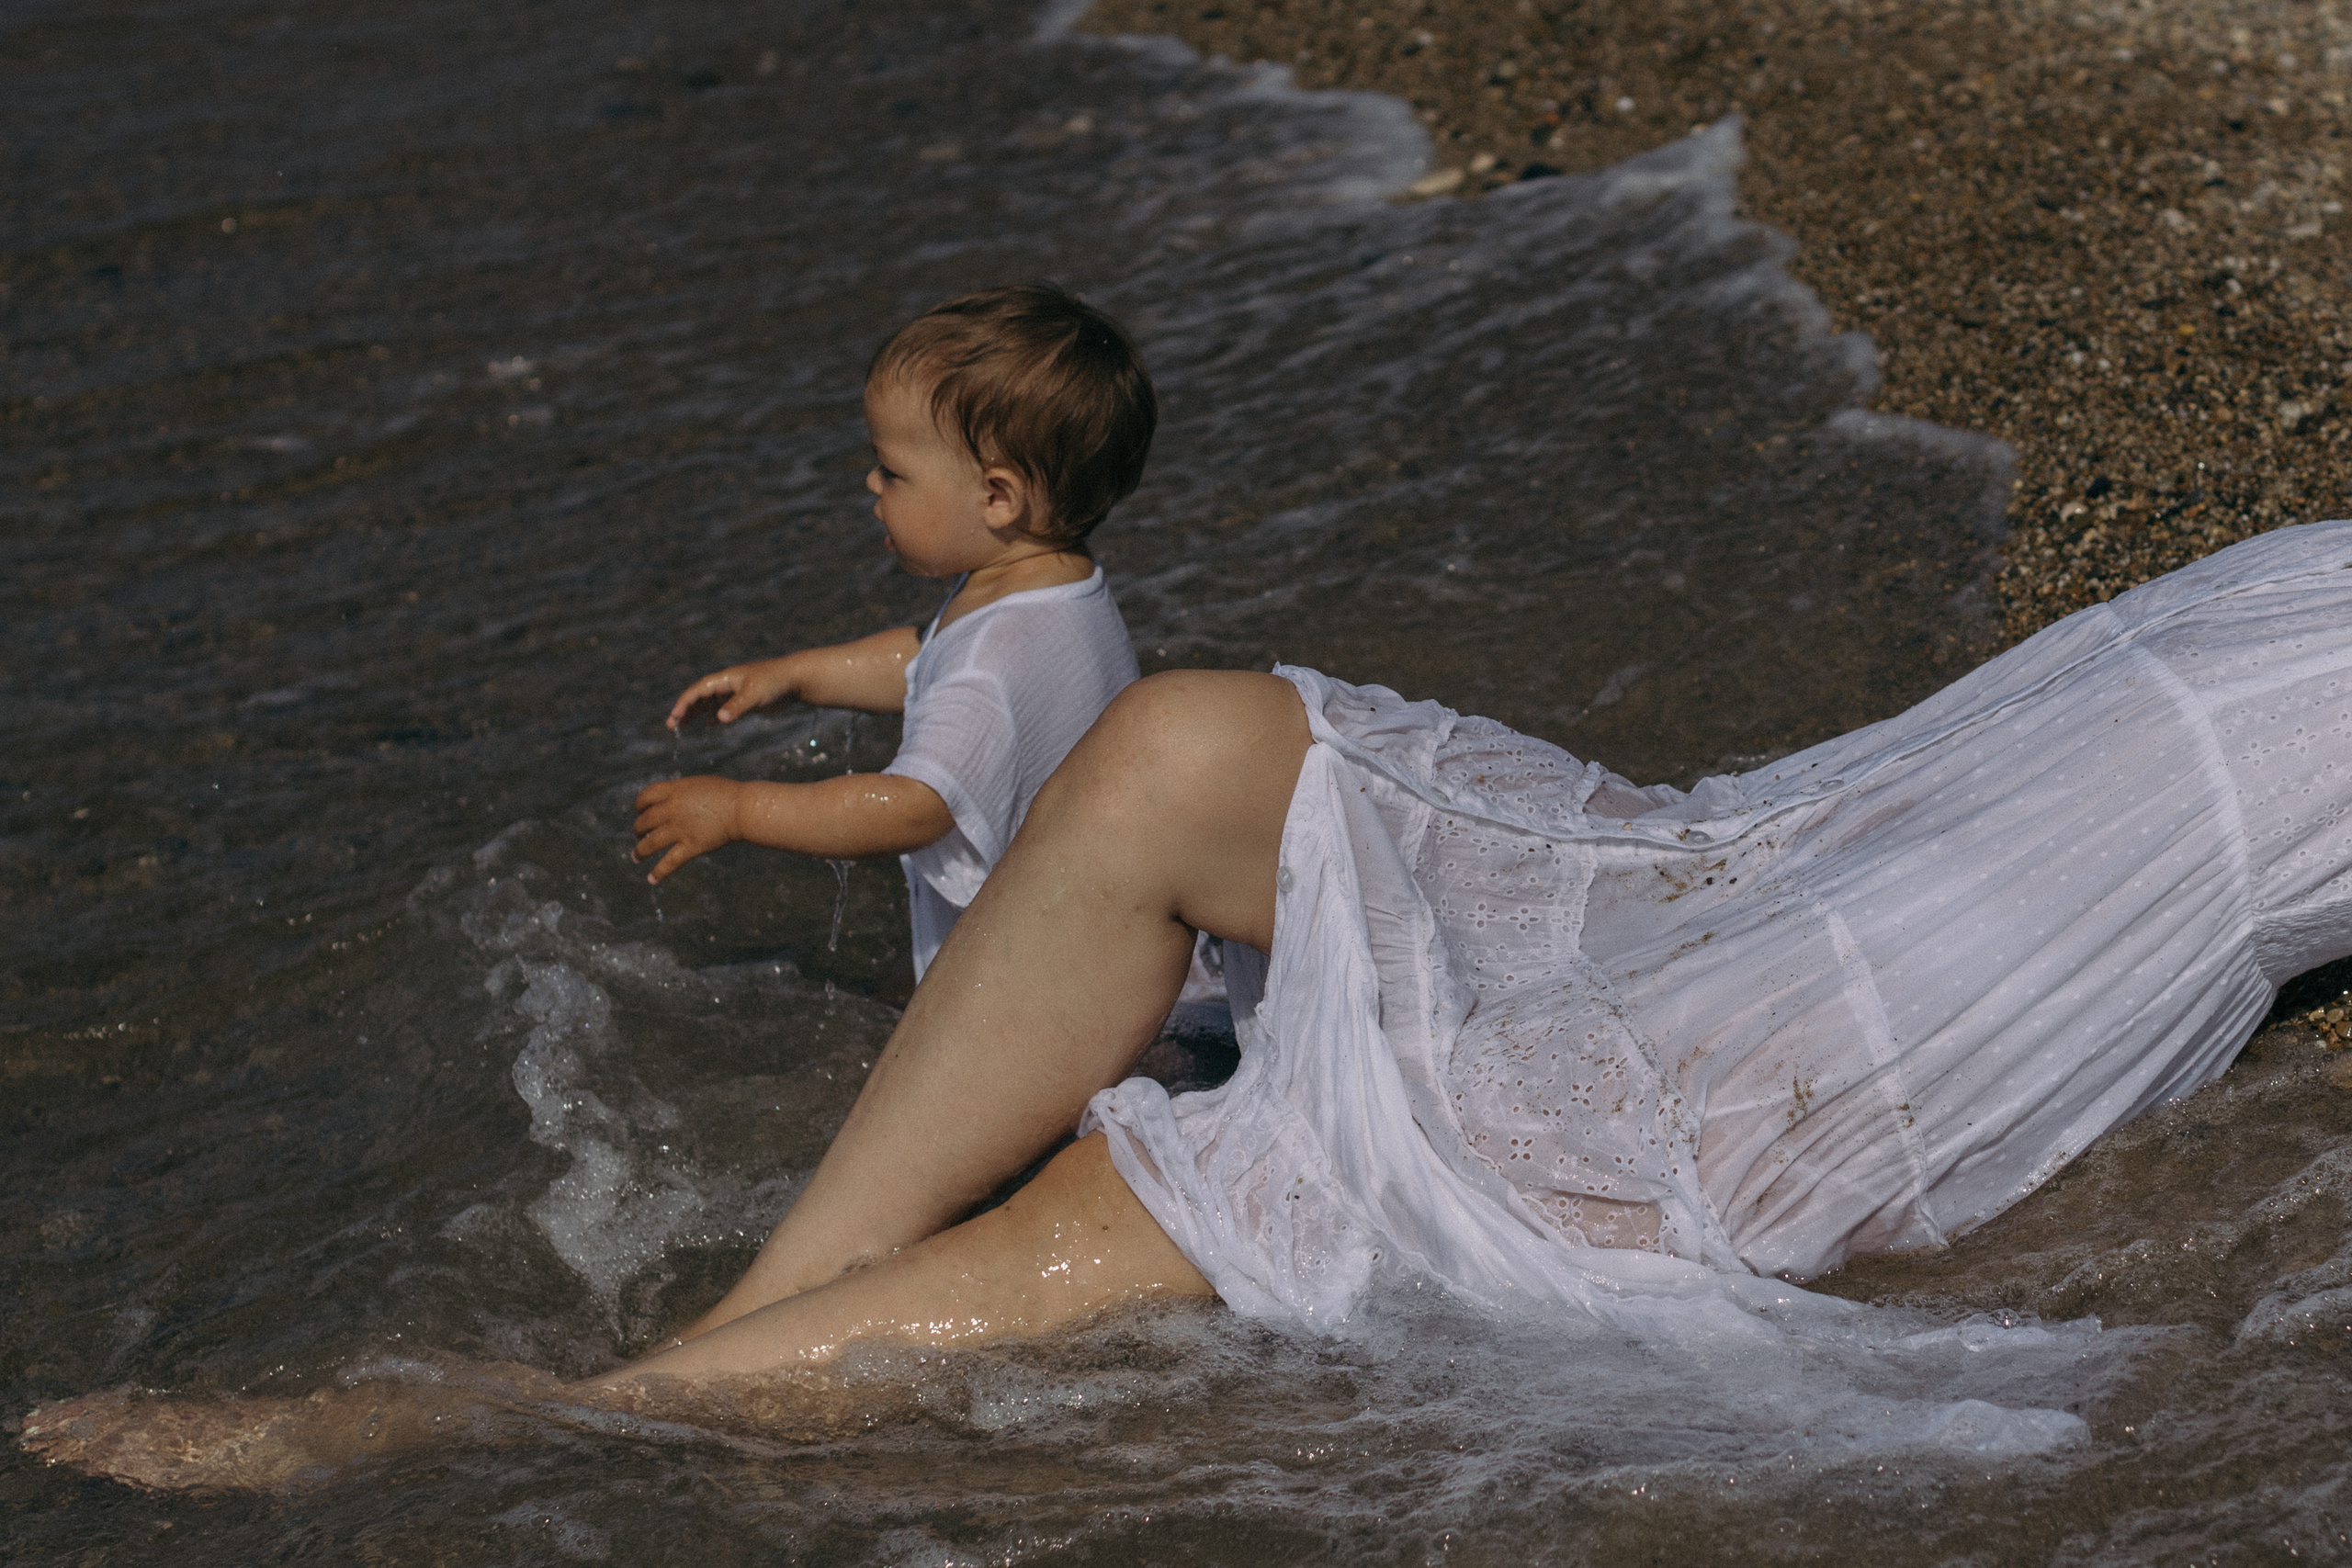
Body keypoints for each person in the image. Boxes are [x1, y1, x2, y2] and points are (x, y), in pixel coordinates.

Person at [25, 522, 2352, 1485]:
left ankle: (523, 1420)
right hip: (1783, 837)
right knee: (1180, 744)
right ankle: (773, 1303)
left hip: (1908, 1003)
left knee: (1298, 1177)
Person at [630, 284, 1150, 981]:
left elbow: (913, 807)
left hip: (1033, 986)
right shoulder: (1055, 587)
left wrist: (739, 808)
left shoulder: (990, 662)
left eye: (895, 471)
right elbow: (928, 654)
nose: (872, 483)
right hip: (1107, 940)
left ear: (997, 497)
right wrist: (802, 674)